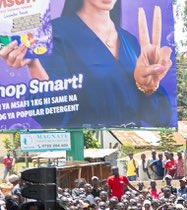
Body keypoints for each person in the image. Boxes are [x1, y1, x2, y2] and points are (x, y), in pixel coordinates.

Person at [0, 2, 173, 128]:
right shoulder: (54, 34)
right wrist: (34, 65)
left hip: (127, 142)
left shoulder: (131, 42)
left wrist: (148, 88)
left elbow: (160, 119)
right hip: (83, 146)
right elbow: (49, 115)